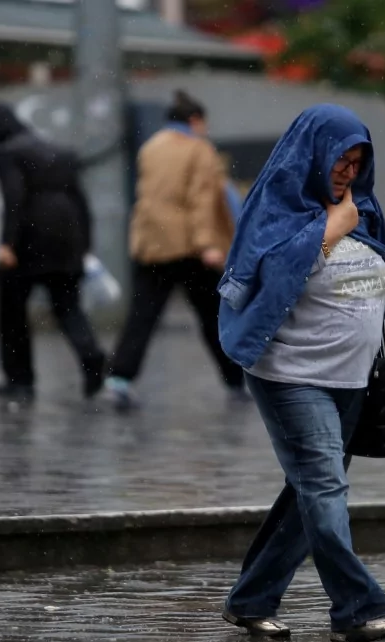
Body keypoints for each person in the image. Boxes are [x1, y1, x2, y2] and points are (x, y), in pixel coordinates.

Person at [216, 104, 385, 642]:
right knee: (324, 485)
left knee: (306, 492)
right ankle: (356, 609)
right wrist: (330, 229)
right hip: (291, 375)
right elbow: (273, 277)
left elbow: (367, 285)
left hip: (350, 379)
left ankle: (251, 600)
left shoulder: (362, 208)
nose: (347, 171)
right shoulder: (277, 209)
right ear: (314, 151)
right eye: (340, 158)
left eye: (357, 161)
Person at [103, 90, 243, 410]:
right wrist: (208, 244)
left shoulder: (151, 147)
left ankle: (120, 377)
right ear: (195, 121)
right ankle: (235, 379)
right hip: (189, 247)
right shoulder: (199, 150)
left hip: (152, 242)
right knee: (213, 317)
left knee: (142, 315)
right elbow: (202, 200)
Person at [0, 103, 106, 404]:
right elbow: (80, 200)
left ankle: (20, 380)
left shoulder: (8, 152)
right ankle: (91, 357)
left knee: (12, 312)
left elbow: (14, 197)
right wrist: (85, 242)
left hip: (30, 238)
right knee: (68, 307)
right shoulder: (59, 152)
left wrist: (7, 244)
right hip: (68, 235)